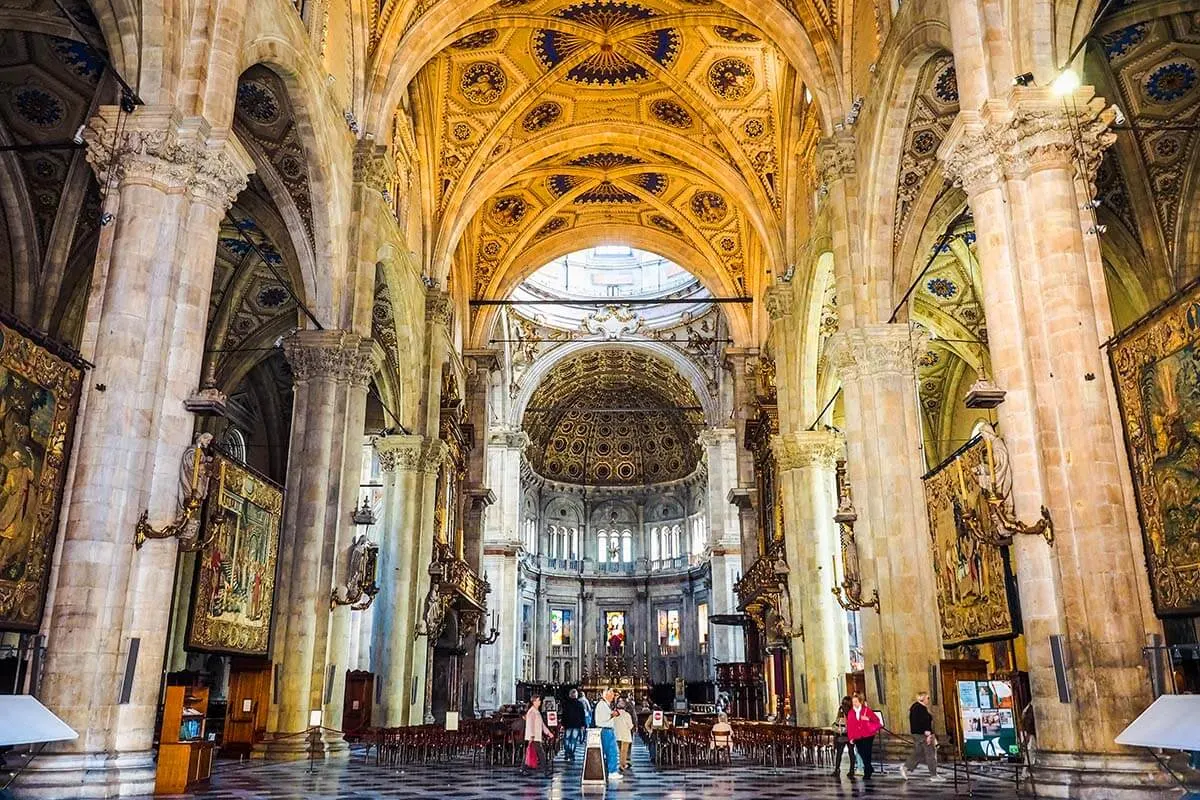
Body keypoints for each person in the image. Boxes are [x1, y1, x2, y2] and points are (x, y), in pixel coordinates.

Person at [901, 691, 944, 782]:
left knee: (919, 753)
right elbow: (921, 722)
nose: (928, 700)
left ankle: (906, 767)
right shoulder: (918, 708)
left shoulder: (919, 707)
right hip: (922, 734)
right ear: (922, 698)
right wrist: (928, 734)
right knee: (930, 753)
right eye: (927, 698)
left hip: (921, 734)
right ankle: (933, 775)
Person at [845, 693, 882, 779]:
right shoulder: (851, 713)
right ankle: (869, 767)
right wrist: (851, 737)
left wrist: (867, 718)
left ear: (860, 702)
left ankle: (867, 772)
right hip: (857, 736)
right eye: (853, 702)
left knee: (867, 753)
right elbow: (850, 726)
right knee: (861, 753)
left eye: (856, 701)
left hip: (868, 735)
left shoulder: (867, 710)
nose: (854, 703)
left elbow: (876, 720)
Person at [520, 695, 554, 778]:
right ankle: (545, 770)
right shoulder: (531, 712)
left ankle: (523, 768)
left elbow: (542, 724)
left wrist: (548, 733)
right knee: (540, 753)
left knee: (531, 752)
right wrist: (531, 735)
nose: (540, 702)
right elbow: (530, 724)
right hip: (534, 736)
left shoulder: (536, 711)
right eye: (538, 700)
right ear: (534, 701)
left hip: (536, 736)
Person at [593, 687, 621, 783]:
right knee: (611, 751)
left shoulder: (606, 704)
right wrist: (613, 714)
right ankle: (612, 771)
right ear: (606, 694)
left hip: (608, 730)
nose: (613, 696)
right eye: (611, 694)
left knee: (611, 751)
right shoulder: (601, 704)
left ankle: (611, 770)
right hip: (605, 730)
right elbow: (603, 718)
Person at [831, 695, 855, 777]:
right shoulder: (841, 711)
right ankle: (837, 769)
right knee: (840, 752)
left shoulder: (852, 712)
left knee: (850, 752)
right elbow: (837, 721)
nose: (843, 705)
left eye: (845, 703)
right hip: (842, 734)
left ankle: (851, 770)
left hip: (850, 734)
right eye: (843, 703)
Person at [561, 688, 587, 762]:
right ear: (576, 695)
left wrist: (563, 724)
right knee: (573, 740)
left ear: (570, 695)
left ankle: (567, 753)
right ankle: (571, 754)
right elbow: (582, 715)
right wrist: (583, 725)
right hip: (576, 725)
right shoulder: (580, 704)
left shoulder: (566, 703)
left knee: (567, 739)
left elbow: (564, 715)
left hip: (568, 724)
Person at [613, 698, 635, 771]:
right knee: (624, 751)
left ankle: (621, 764)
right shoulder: (626, 714)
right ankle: (622, 765)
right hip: (625, 735)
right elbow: (630, 725)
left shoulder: (614, 714)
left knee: (620, 750)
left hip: (617, 734)